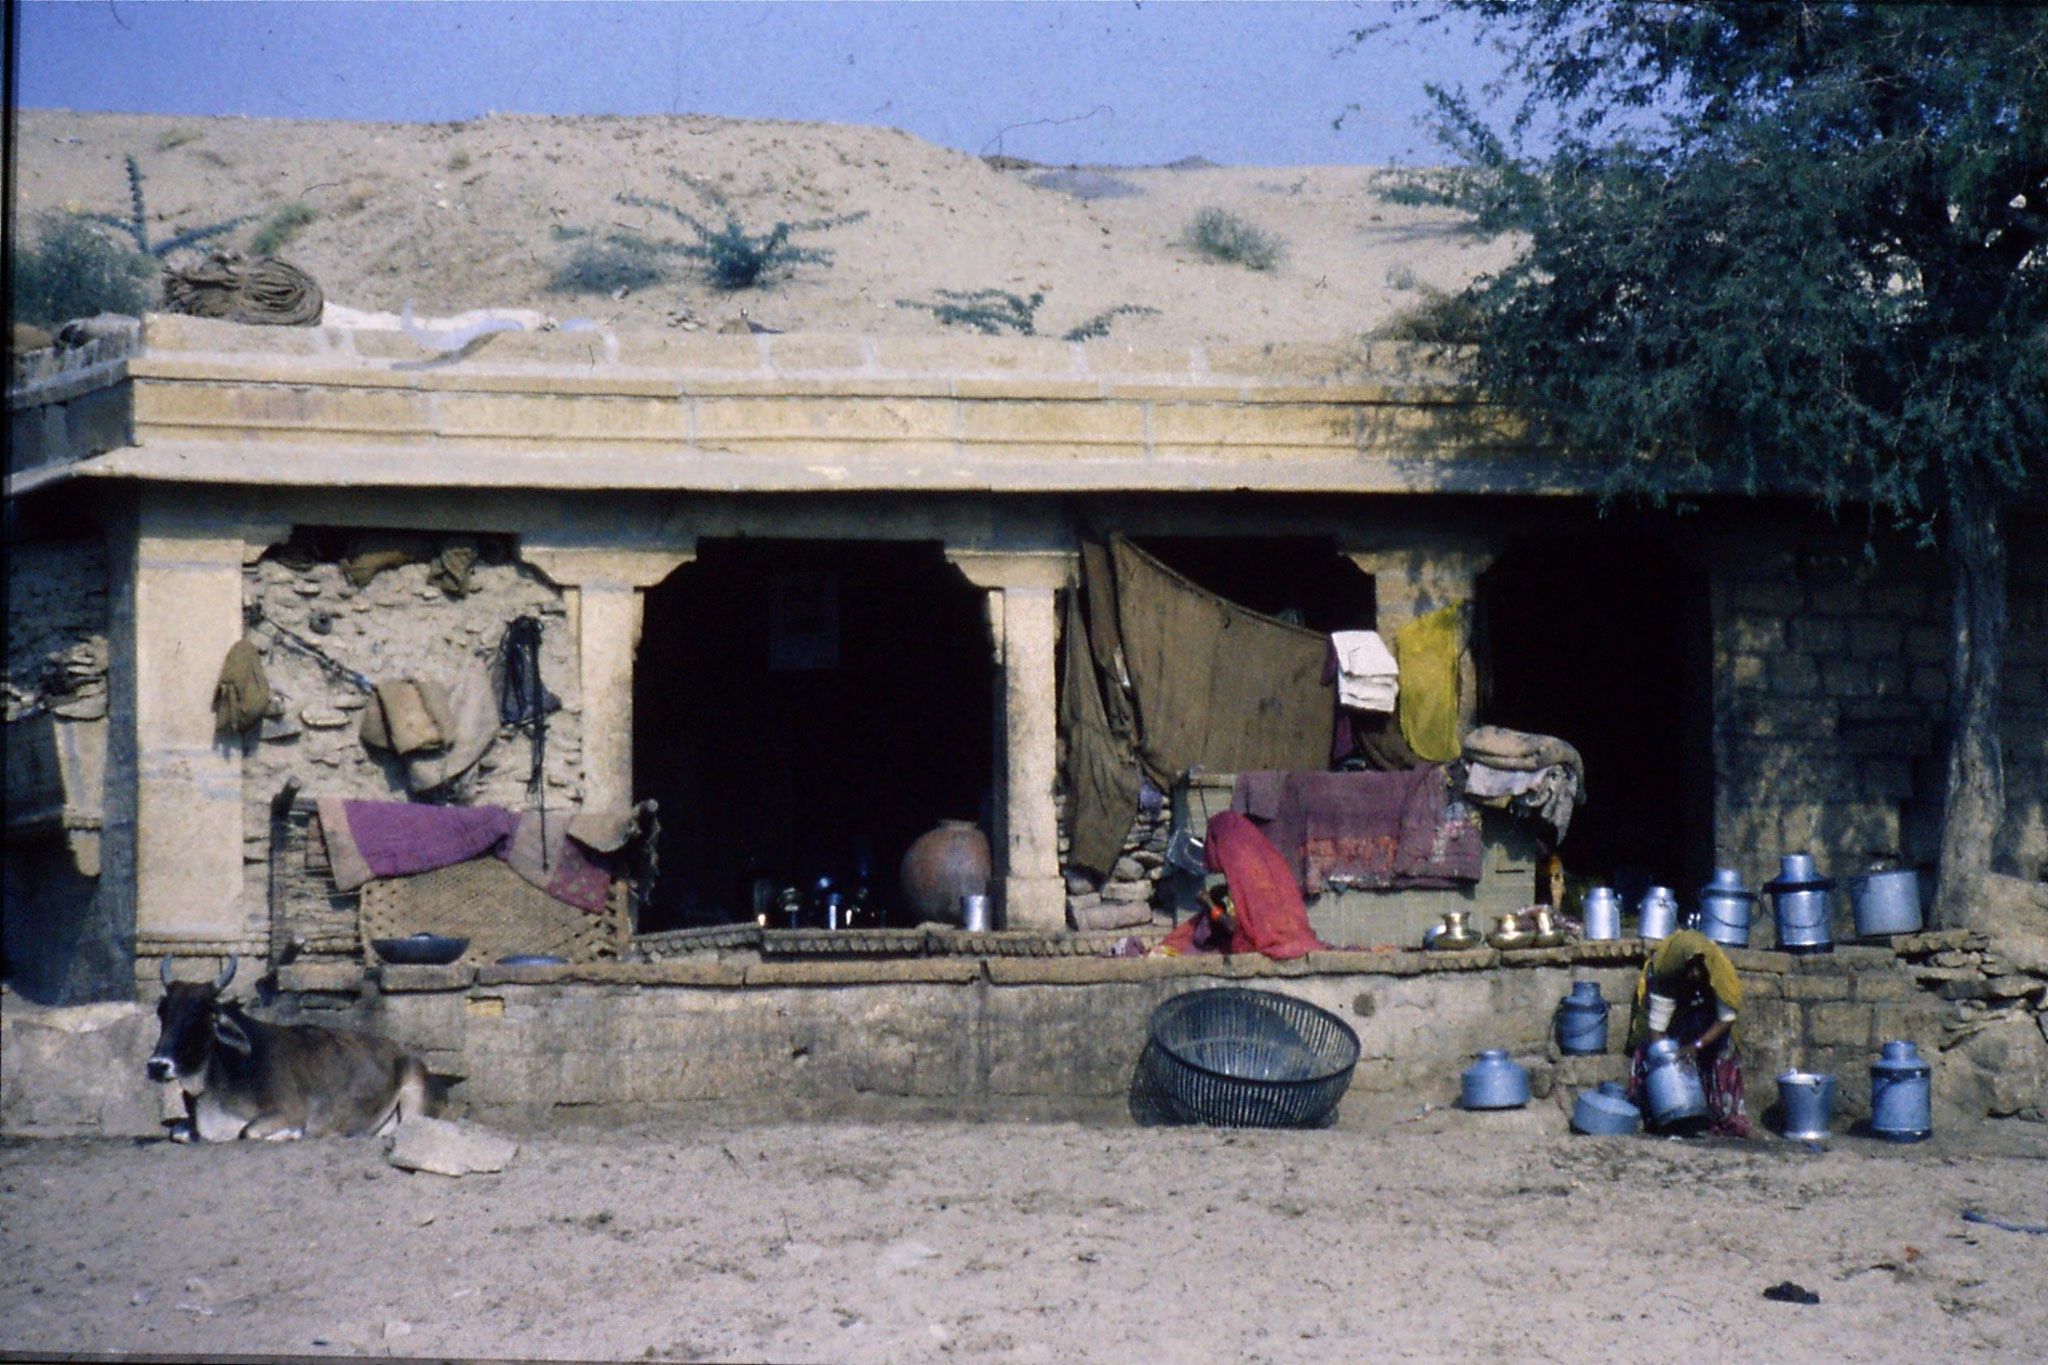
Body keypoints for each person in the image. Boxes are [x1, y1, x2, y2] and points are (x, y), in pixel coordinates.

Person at [1625, 929, 1755, 1138]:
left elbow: (1726, 1018)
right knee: (1647, 1050)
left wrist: (1696, 1046)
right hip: (1678, 1020)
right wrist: (1666, 1062)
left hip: (1710, 1025)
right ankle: (1653, 1114)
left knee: (1724, 1051)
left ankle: (1723, 1114)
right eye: (1689, 968)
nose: (1694, 974)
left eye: (1698, 968)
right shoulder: (1665, 969)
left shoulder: (1719, 970)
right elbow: (1657, 1026)